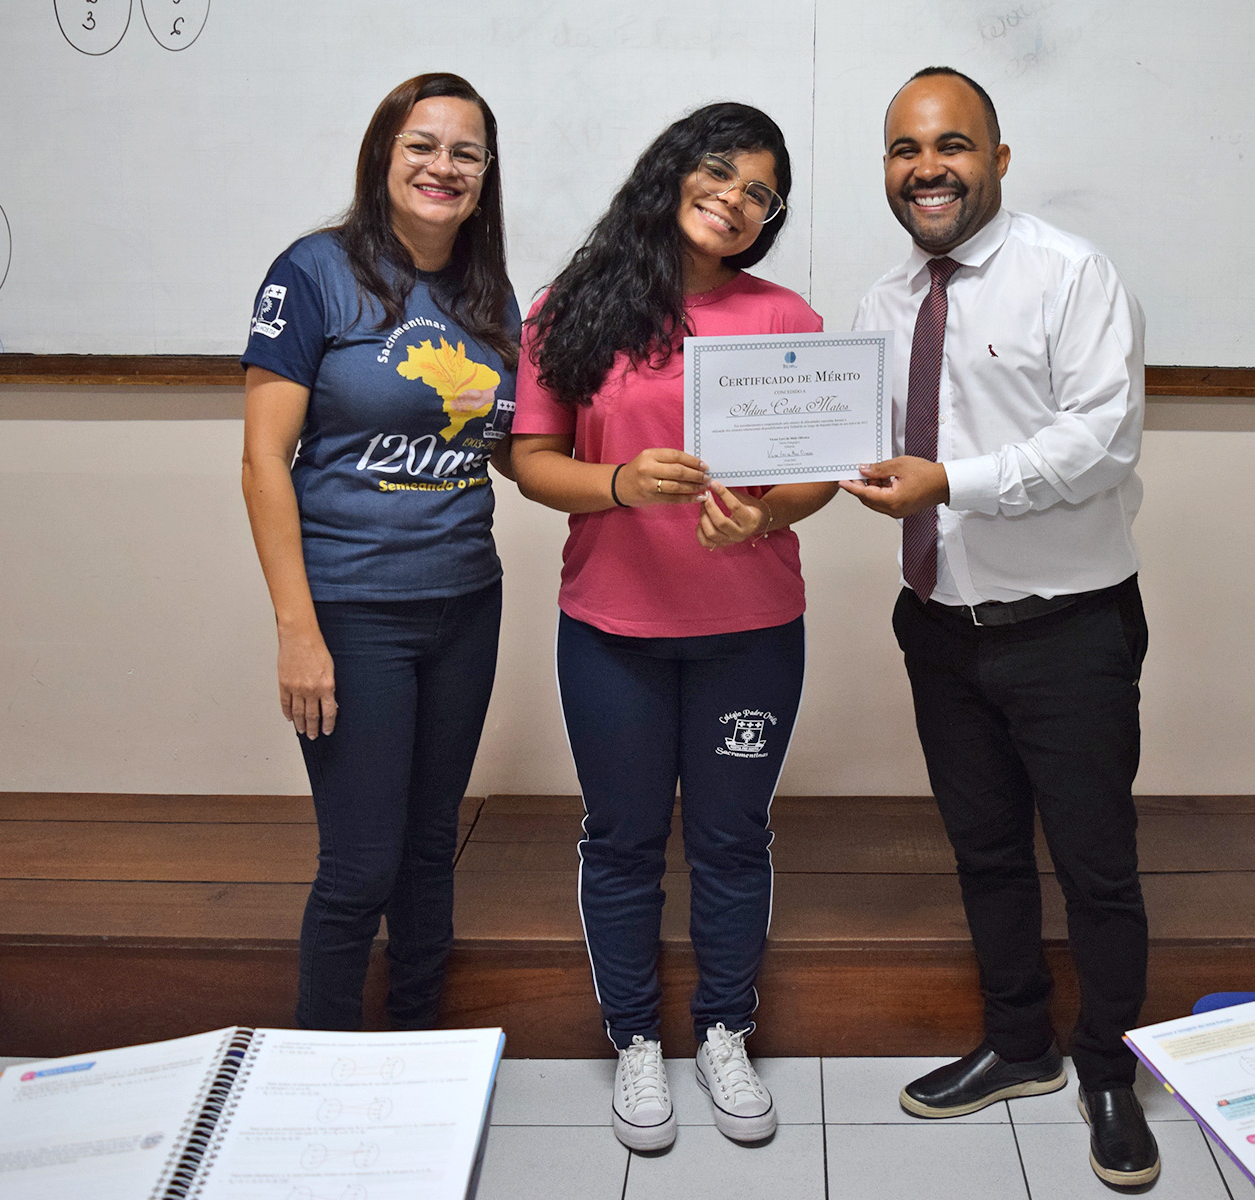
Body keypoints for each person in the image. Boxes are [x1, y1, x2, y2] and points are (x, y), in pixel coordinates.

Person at [843, 67, 1158, 1188]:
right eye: (905, 149)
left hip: (1067, 629)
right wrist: (768, 480)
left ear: (998, 159)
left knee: (1095, 866)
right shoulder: (883, 304)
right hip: (938, 624)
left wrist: (952, 482)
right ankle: (1020, 1044)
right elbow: (857, 444)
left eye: (953, 145)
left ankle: (1108, 1070)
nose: (927, 169)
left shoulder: (1069, 275)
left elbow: (1099, 443)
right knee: (984, 854)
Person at [510, 103, 836, 1152]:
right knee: (623, 840)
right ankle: (637, 1040)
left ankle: (726, 1032)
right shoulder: (570, 307)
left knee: (733, 839)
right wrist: (617, 482)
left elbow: (818, 474)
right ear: (673, 171)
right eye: (721, 171)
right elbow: (531, 461)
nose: (736, 199)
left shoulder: (786, 319)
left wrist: (766, 515)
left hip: (752, 630)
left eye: (761, 193)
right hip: (612, 630)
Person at [240, 73, 521, 1032]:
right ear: (382, 157)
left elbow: (506, 447)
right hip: (352, 614)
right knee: (361, 865)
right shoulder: (313, 273)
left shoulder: (488, 292)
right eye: (422, 145)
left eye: (466, 153)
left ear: (485, 175)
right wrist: (297, 632)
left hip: (465, 604)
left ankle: (416, 1056)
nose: (444, 166)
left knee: (429, 847)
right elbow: (263, 463)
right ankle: (318, 1070)